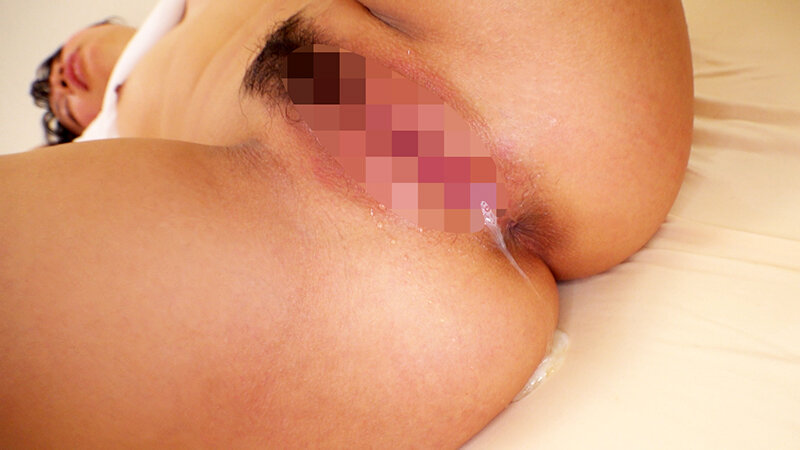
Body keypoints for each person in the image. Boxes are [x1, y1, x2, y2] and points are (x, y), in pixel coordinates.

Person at [2, 0, 693, 447]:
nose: (59, 83)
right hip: (325, 251)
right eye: (57, 108)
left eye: (57, 64)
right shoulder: (100, 159)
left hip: (525, 64)